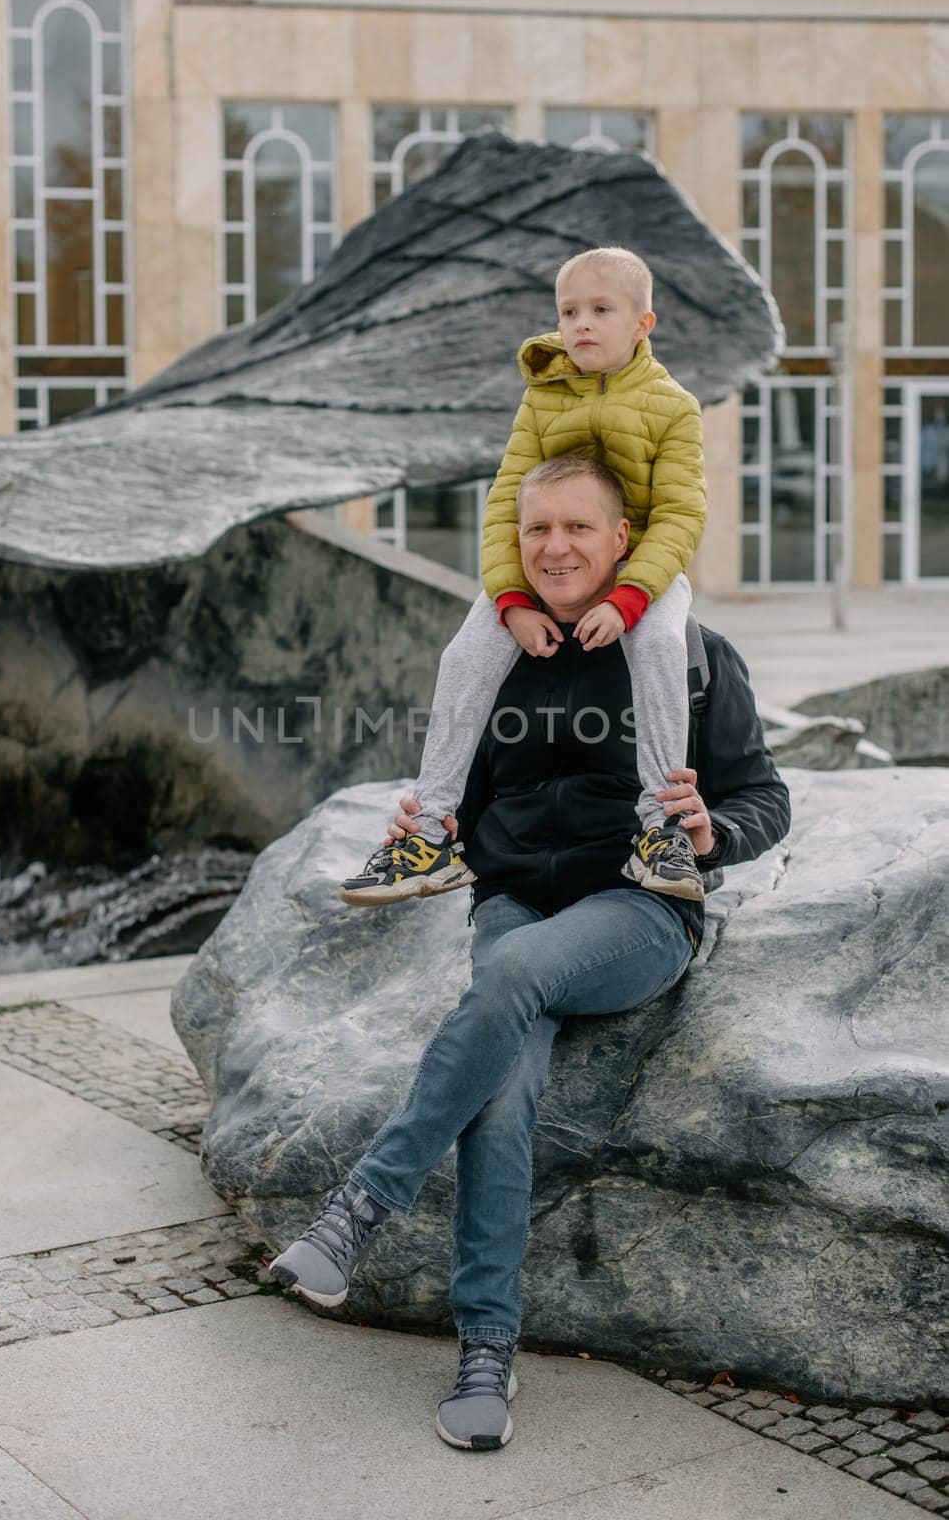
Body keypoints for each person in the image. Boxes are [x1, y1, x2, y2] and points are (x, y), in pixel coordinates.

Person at [269, 459, 790, 1452]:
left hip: (640, 911)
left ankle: (362, 1204)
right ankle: (485, 1348)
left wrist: (711, 827)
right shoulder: (495, 657)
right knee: (501, 1087)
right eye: (535, 527)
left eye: (577, 529)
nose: (553, 547)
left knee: (508, 975)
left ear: (624, 538)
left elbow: (769, 797)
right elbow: (463, 806)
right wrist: (428, 814)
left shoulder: (688, 653)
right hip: (513, 905)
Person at [338, 245, 708, 909]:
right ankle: (427, 838)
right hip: (543, 569)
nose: (581, 324)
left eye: (601, 309)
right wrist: (510, 600)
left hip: (642, 566)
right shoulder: (542, 396)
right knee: (465, 654)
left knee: (659, 647)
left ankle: (661, 830)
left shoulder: (672, 407)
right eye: (569, 311)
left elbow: (681, 516)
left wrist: (630, 597)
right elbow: (509, 503)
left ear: (642, 325)